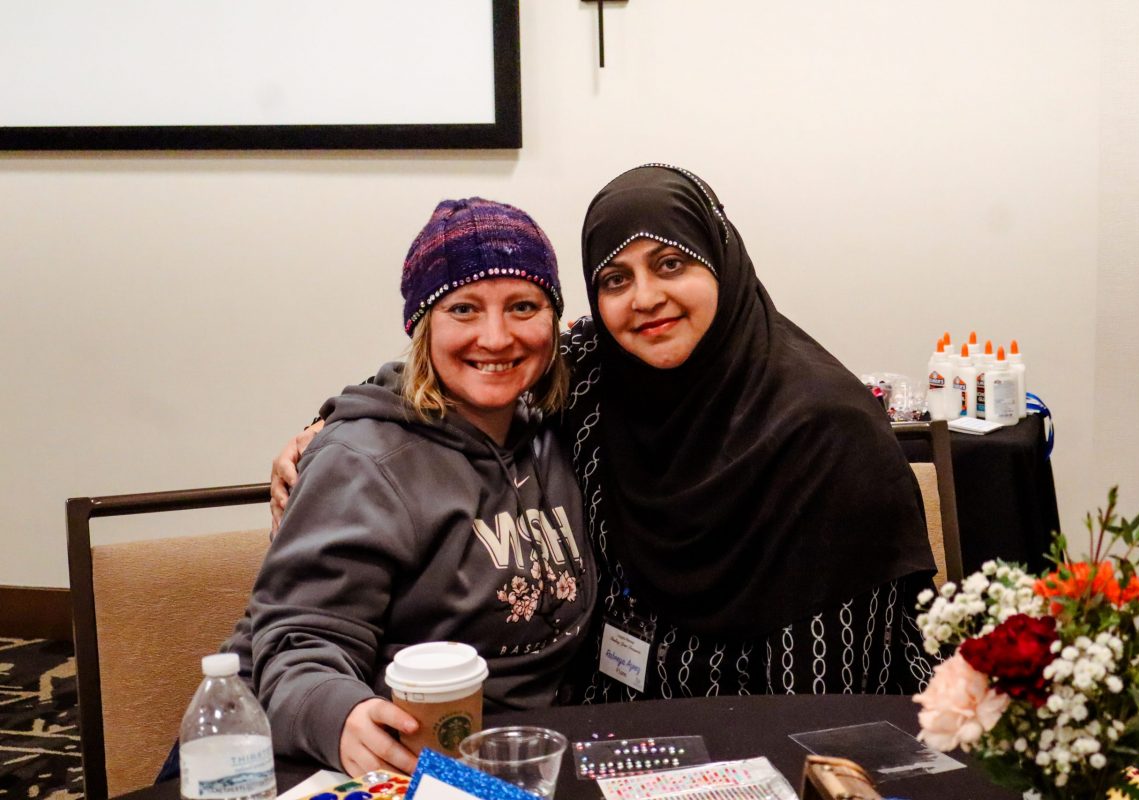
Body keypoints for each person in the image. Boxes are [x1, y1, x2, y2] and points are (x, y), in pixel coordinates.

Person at [272, 165, 935, 704]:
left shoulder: (826, 434)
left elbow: (835, 699)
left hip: (777, 737)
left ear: (722, 263)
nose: (644, 298)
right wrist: (334, 425)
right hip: (604, 740)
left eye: (671, 264)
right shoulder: (597, 377)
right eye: (615, 279)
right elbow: (469, 364)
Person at [236, 197, 596, 776]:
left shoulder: (563, 430)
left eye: (524, 306)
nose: (496, 337)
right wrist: (342, 716)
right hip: (401, 755)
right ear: (424, 326)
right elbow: (297, 644)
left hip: (527, 754)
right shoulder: (363, 461)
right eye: (464, 309)